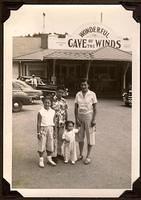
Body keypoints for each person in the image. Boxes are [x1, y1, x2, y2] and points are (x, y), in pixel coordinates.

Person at [74, 79, 97, 165]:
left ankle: (88, 156)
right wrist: (76, 119)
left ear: (88, 85)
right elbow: (76, 107)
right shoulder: (78, 94)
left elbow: (95, 108)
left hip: (89, 117)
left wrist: (94, 119)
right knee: (80, 137)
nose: (83, 86)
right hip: (80, 117)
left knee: (90, 137)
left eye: (85, 85)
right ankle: (80, 155)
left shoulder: (92, 94)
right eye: (82, 85)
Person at [37, 96, 56, 168]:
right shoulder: (40, 112)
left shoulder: (53, 111)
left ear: (51, 103)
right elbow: (38, 123)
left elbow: (54, 123)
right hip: (43, 129)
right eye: (46, 102)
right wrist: (38, 132)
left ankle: (49, 159)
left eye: (49, 102)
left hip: (50, 129)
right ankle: (41, 160)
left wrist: (54, 132)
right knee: (42, 144)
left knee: (50, 144)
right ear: (43, 103)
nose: (47, 104)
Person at [52, 86, 68, 160]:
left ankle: (59, 153)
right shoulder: (52, 100)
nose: (60, 93)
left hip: (62, 122)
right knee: (54, 138)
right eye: (59, 92)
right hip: (53, 122)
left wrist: (66, 122)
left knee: (61, 138)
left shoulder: (64, 101)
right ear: (56, 92)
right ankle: (53, 155)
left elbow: (66, 111)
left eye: (62, 92)